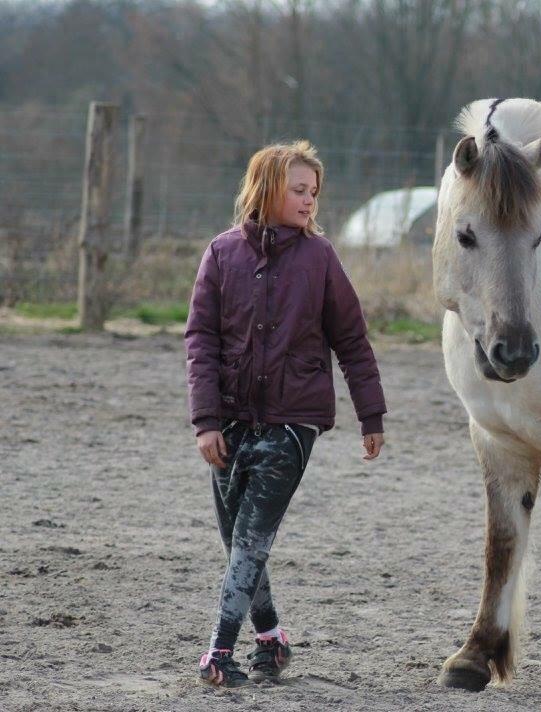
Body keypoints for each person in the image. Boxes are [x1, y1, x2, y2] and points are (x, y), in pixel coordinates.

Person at [185, 140, 387, 687]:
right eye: (298, 190)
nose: (308, 201)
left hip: (292, 423)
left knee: (251, 540)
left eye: (314, 192)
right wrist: (205, 420)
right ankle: (271, 640)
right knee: (237, 545)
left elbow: (352, 340)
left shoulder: (320, 258)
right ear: (266, 188)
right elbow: (200, 339)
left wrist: (372, 415)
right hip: (227, 421)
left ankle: (219, 653)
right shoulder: (221, 253)